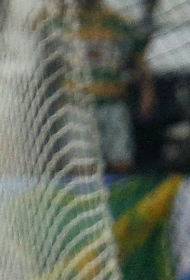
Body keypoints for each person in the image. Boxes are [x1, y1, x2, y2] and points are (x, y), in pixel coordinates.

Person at [35, 0, 153, 173]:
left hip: (113, 102)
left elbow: (137, 62)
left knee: (121, 162)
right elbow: (34, 26)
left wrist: (147, 93)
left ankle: (119, 198)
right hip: (77, 104)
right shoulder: (62, 20)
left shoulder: (118, 22)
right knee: (81, 167)